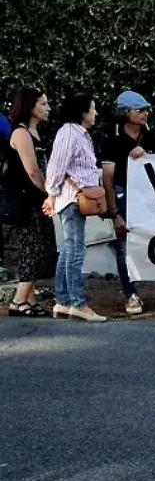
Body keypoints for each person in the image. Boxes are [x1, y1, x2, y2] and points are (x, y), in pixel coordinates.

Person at [100, 91, 155, 315]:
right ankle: (131, 294)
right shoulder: (112, 142)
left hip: (153, 198)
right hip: (124, 197)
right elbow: (108, 179)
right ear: (125, 112)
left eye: (146, 110)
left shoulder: (154, 137)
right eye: (139, 110)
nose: (144, 114)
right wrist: (114, 213)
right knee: (124, 248)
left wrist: (147, 154)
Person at [43, 93, 105, 323]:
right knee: (76, 250)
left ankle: (63, 301)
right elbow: (56, 168)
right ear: (82, 112)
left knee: (69, 250)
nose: (95, 113)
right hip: (71, 199)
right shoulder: (69, 133)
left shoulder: (80, 134)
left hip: (76, 199)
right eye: (92, 108)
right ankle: (78, 304)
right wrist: (51, 194)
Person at [2, 89, 56, 317]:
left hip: (36, 201)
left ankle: (29, 300)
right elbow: (32, 171)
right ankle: (18, 301)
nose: (48, 108)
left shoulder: (34, 133)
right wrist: (50, 193)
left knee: (38, 248)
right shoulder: (21, 133)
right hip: (26, 201)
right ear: (30, 106)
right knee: (33, 249)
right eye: (43, 104)